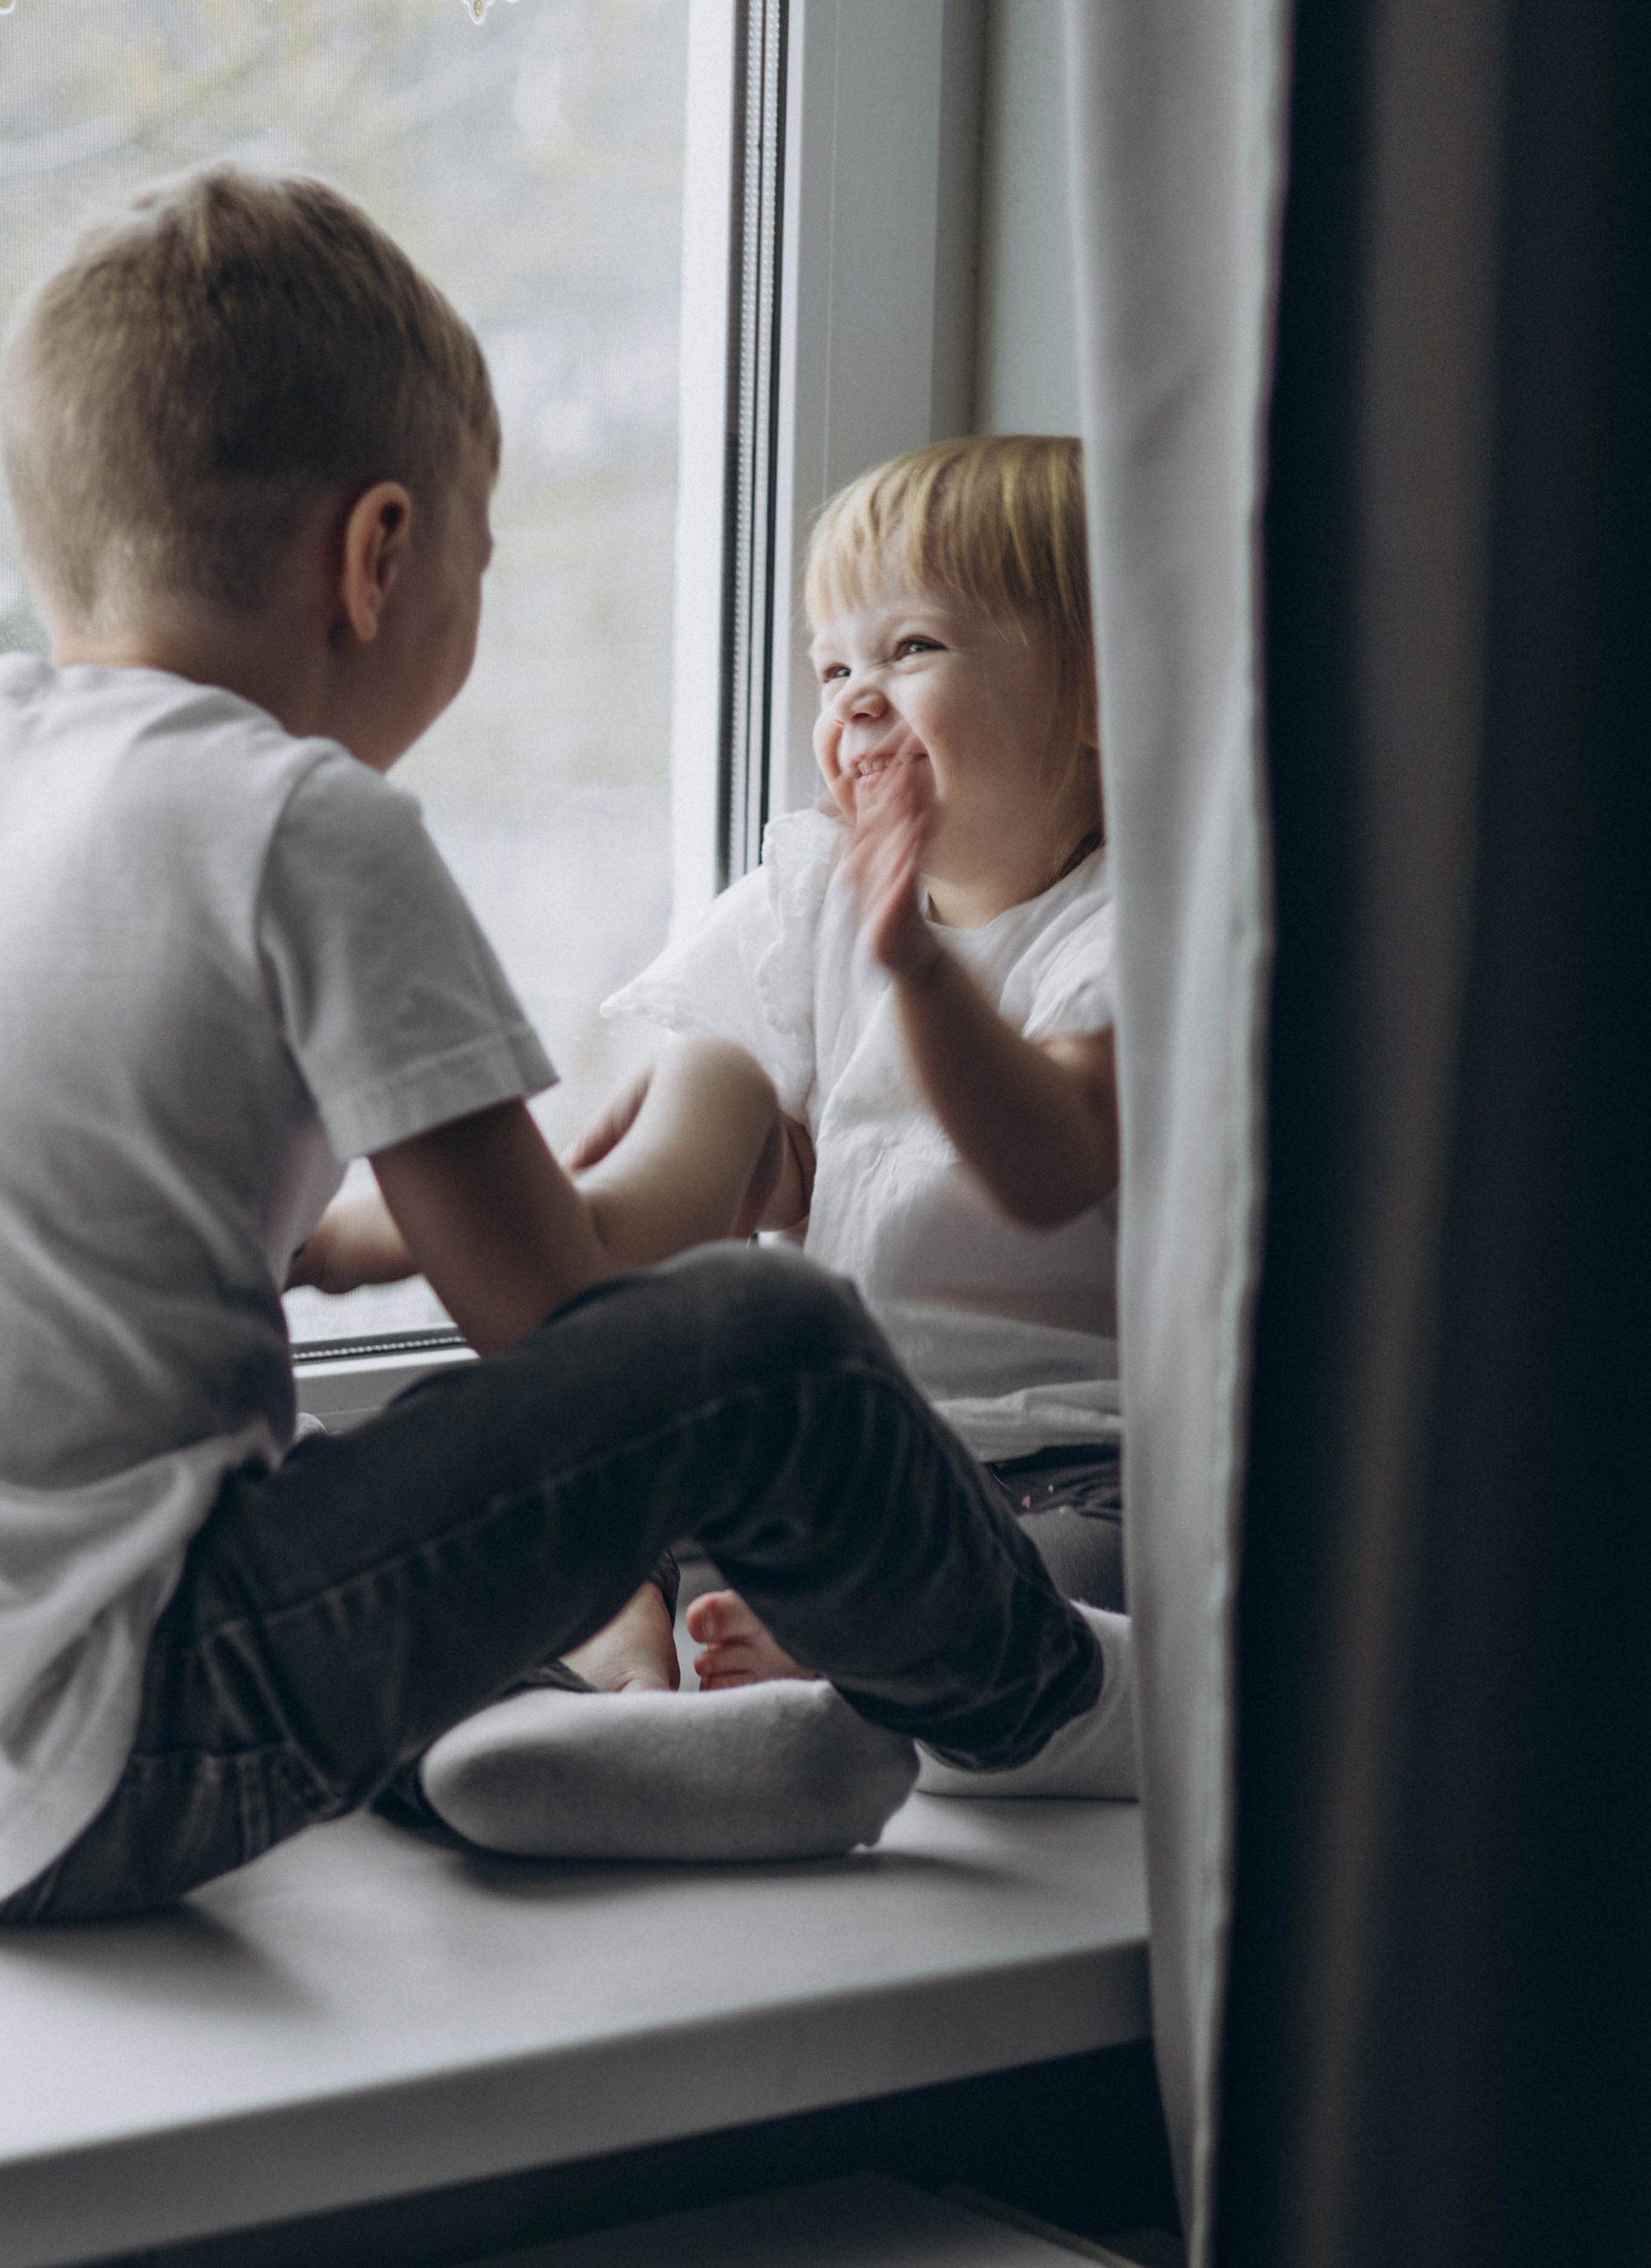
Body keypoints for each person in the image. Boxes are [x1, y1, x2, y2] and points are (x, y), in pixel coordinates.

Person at [0, 168, 1124, 1919]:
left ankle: (550, 1734)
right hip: (69, 1762)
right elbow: (571, 1323)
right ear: (381, 553)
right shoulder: (299, 817)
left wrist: (366, 1236)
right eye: (477, 562)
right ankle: (1066, 1703)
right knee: (777, 1341)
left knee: (403, 1459)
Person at [306, 436, 1137, 1818]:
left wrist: (916, 967)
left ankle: (820, 1682)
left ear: (1104, 688)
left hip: (1057, 1473)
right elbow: (619, 1194)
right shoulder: (805, 901)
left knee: (1089, 1573)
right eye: (831, 666)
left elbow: (1044, 1155)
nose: (857, 698)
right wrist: (347, 1236)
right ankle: (642, 1701)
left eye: (912, 645)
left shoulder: (1125, 929)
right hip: (844, 1464)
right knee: (625, 1449)